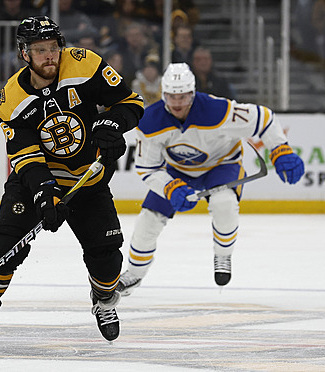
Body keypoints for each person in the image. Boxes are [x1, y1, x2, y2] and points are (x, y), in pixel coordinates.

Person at [0, 16, 144, 349]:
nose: (49, 56)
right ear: (24, 54)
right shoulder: (10, 99)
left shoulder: (85, 65)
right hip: (33, 183)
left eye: (53, 48)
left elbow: (131, 103)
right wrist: (45, 195)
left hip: (87, 180)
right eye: (39, 50)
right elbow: (26, 157)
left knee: (106, 258)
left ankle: (104, 300)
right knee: (5, 249)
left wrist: (111, 124)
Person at [116, 63, 305, 296]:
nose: (177, 103)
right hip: (177, 171)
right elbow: (147, 168)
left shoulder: (218, 111)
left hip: (222, 165)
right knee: (149, 220)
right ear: (163, 94)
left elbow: (263, 118)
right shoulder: (150, 122)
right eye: (172, 96)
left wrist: (280, 149)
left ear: (192, 93)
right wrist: (170, 187)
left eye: (183, 96)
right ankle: (134, 274)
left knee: (224, 204)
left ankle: (223, 255)